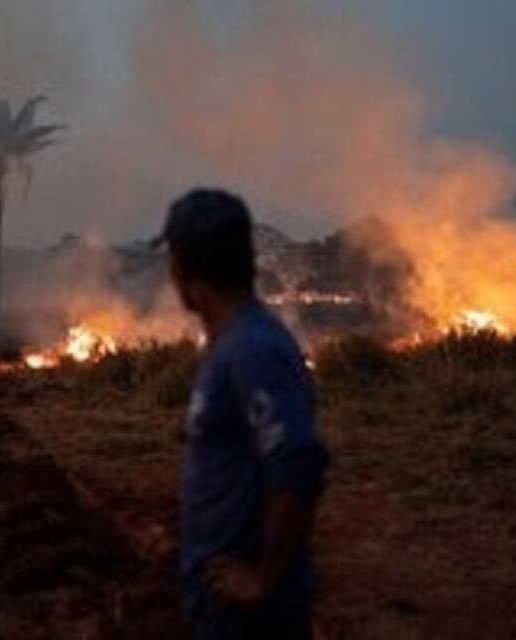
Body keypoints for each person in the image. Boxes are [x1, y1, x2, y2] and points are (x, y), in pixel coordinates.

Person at [152, 188, 329, 639]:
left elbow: (298, 463)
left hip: (250, 622)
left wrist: (263, 580)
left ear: (185, 269)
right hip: (218, 610)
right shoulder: (231, 343)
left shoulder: (254, 348)